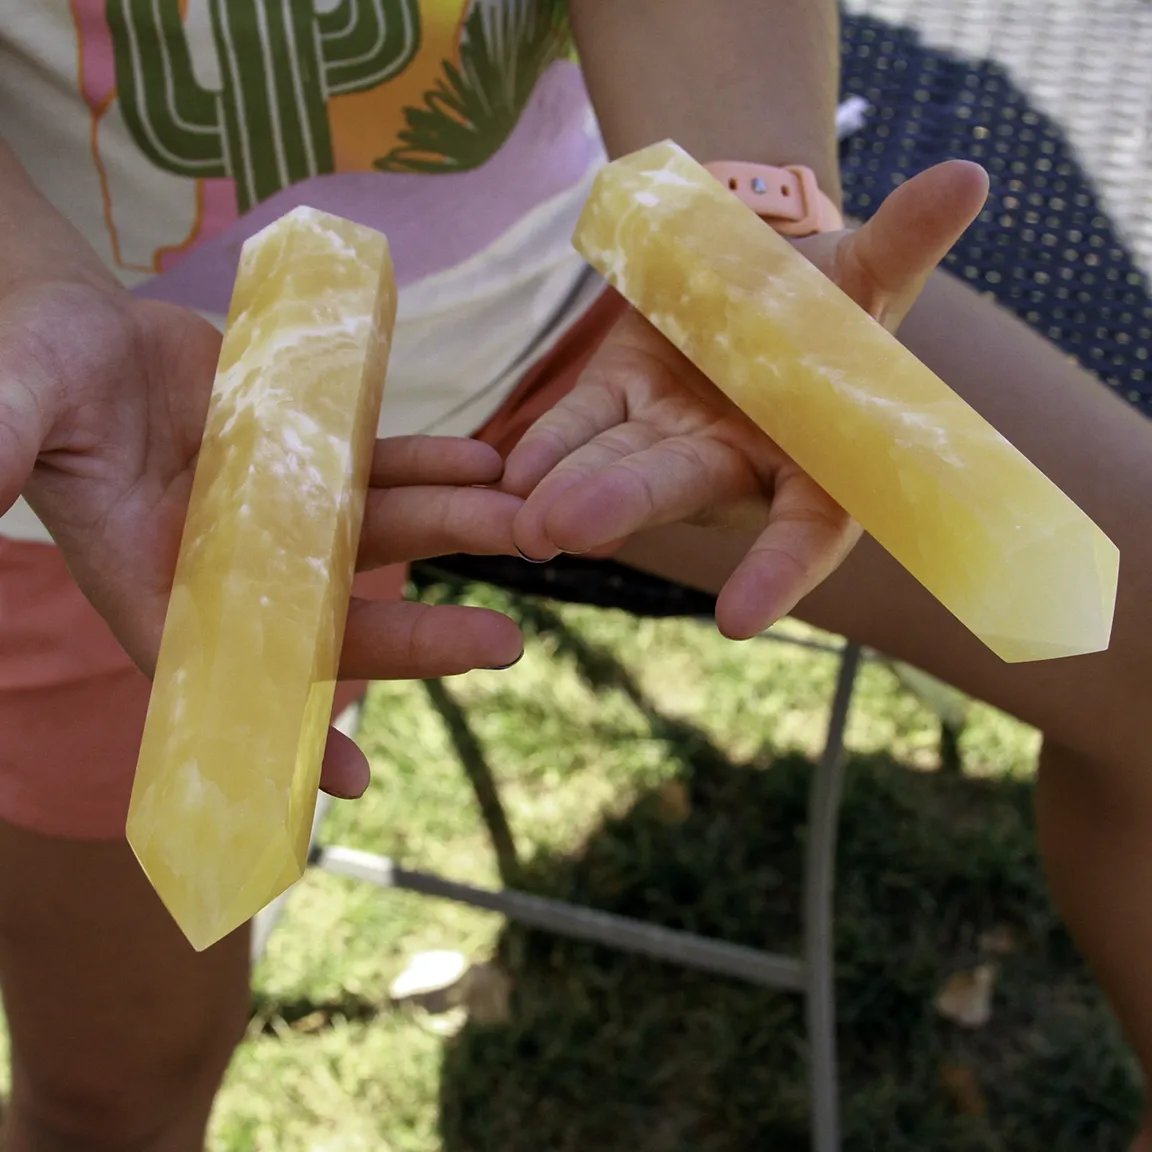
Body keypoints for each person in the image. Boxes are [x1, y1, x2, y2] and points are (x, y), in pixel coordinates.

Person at [1, 1, 1150, 1149]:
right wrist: (22, 288)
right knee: (114, 1083)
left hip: (617, 297)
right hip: (106, 438)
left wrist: (747, 218)